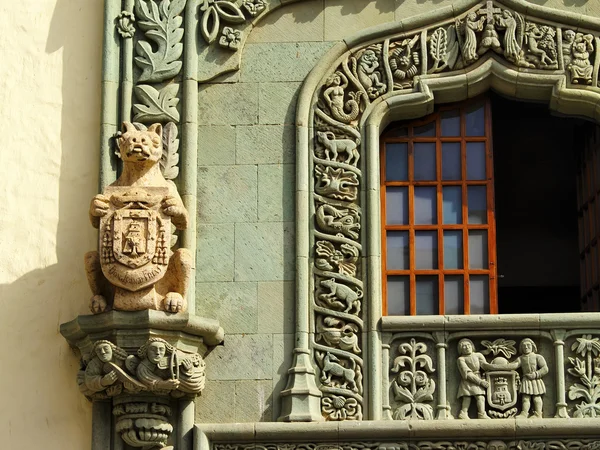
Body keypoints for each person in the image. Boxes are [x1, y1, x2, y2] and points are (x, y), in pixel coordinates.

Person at [457, 338, 491, 419]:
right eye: (464, 346)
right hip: (468, 380)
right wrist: (480, 382)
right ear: (461, 349)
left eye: (468, 345)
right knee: (467, 397)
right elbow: (466, 373)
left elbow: (485, 366)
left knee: (480, 397)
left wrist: (495, 367)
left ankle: (481, 414)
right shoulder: (461, 359)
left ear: (472, 346)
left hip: (478, 376)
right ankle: (463, 413)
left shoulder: (478, 355)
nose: (467, 347)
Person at [515, 338, 548, 418]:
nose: (526, 347)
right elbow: (513, 365)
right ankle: (524, 413)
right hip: (526, 380)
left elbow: (545, 368)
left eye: (528, 345)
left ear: (533, 346)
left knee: (536, 397)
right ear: (521, 348)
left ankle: (538, 413)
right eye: (524, 346)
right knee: (525, 398)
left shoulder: (537, 357)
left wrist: (535, 374)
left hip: (535, 380)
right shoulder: (521, 358)